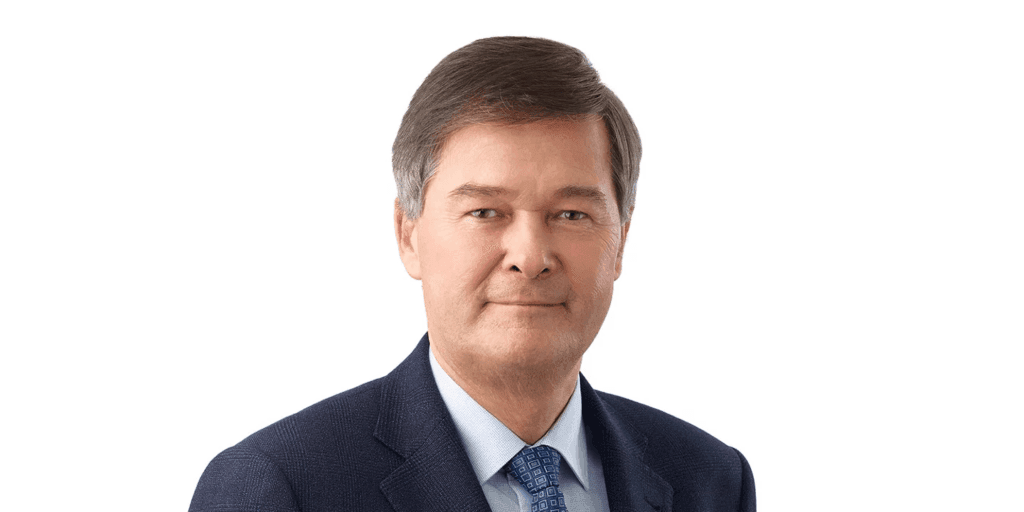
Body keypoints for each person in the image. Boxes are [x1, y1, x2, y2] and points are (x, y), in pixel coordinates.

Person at [189, 36, 755, 512]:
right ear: (408, 234)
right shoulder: (278, 487)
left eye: (570, 214)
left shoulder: (709, 481)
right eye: (486, 212)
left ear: (621, 242)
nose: (530, 257)